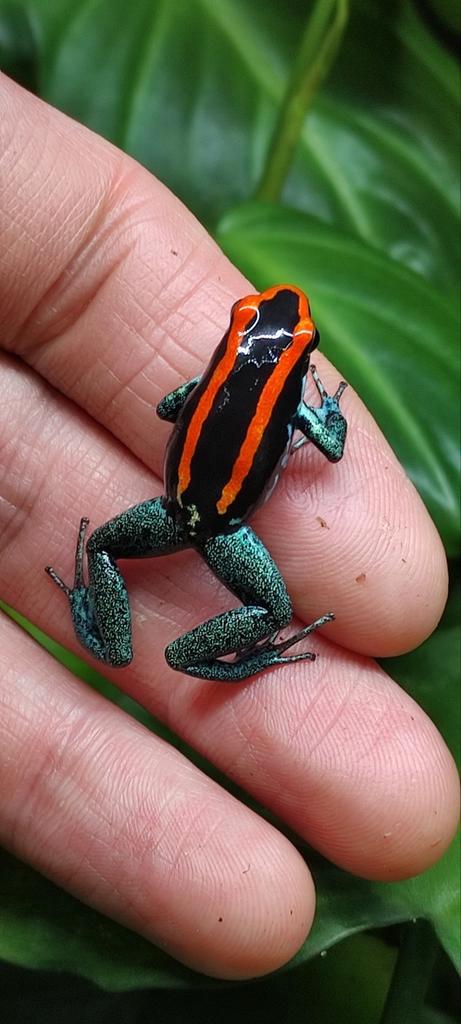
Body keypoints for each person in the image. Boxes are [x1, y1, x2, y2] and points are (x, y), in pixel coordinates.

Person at [0, 73, 458, 980]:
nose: (278, 323)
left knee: (101, 544)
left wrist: (220, 395)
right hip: (209, 529)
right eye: (270, 331)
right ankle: (222, 651)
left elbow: (177, 403)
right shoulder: (289, 409)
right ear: (251, 345)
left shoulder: (208, 383)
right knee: (276, 598)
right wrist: (318, 404)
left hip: (182, 515)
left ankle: (141, 636)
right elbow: (326, 444)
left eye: (292, 347)